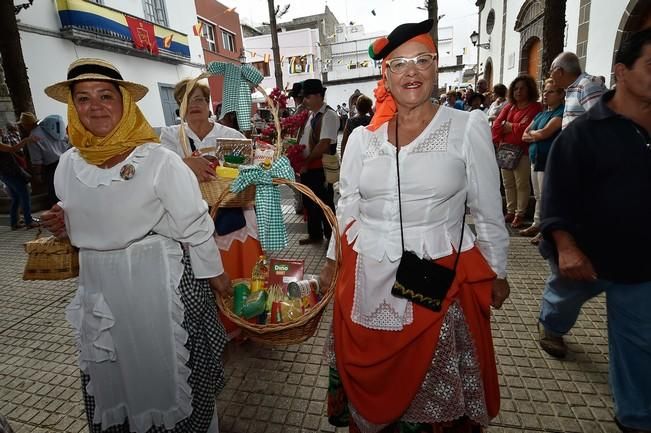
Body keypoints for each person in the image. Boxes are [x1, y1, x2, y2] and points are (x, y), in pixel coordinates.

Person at [319, 19, 509, 432]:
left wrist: (497, 270)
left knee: (431, 393)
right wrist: (333, 261)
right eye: (399, 63)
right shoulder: (361, 140)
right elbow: (347, 202)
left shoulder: (466, 128)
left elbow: (488, 210)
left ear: (436, 68)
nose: (411, 72)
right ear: (385, 74)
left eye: (422, 61)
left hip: (438, 278)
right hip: (365, 276)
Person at [40, 58, 230, 433]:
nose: (95, 107)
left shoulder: (159, 161)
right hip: (101, 288)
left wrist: (218, 279)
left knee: (172, 376)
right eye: (84, 99)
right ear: (73, 108)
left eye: (105, 96)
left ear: (124, 103)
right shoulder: (67, 165)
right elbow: (82, 211)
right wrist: (64, 221)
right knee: (118, 373)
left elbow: (195, 226)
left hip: (158, 282)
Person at [539, 29, 651, 432]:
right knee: (563, 300)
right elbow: (555, 197)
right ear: (622, 71)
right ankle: (550, 325)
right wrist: (566, 247)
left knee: (639, 343)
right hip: (585, 256)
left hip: (640, 264)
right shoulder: (583, 134)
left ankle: (636, 418)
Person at [160, 79, 263, 340]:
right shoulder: (171, 136)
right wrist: (186, 163)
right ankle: (217, 331)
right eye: (187, 100)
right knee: (204, 280)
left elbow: (249, 173)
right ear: (179, 107)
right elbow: (160, 173)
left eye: (199, 99)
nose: (194, 105)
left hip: (233, 214)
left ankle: (246, 324)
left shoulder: (231, 135)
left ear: (208, 105)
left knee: (240, 273)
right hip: (191, 222)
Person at [537, 51, 607, 358]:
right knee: (569, 277)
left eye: (552, 73)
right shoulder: (574, 90)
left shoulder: (587, 86)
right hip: (574, 176)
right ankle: (551, 324)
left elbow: (601, 126)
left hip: (587, 176)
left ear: (558, 70)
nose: (550, 79)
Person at [491, 75, 542, 229]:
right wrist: (514, 127)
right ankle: (510, 210)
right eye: (516, 88)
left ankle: (520, 213)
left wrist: (510, 126)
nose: (518, 91)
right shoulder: (508, 107)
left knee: (521, 184)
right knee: (508, 184)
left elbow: (527, 131)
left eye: (522, 88)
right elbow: (497, 126)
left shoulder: (535, 108)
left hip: (523, 152)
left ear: (529, 90)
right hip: (506, 150)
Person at [520, 79, 564, 244]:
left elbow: (545, 133)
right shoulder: (541, 114)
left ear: (561, 94)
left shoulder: (560, 112)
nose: (545, 95)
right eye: (545, 91)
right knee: (538, 195)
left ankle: (546, 229)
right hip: (536, 158)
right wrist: (535, 135)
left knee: (547, 196)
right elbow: (525, 134)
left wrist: (535, 134)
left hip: (549, 160)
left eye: (551, 92)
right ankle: (537, 223)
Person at [298, 78, 338, 245]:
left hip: (320, 167)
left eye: (307, 97)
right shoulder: (311, 115)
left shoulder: (329, 115)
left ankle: (332, 237)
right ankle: (315, 234)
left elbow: (324, 144)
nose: (304, 101)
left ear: (318, 96)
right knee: (310, 202)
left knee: (324, 203)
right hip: (308, 167)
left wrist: (306, 162)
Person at [19, 112, 70, 208]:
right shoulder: (51, 128)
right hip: (66, 161)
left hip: (52, 168)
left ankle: (60, 217)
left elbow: (37, 160)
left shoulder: (33, 137)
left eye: (22, 124)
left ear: (26, 125)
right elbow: (66, 141)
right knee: (67, 190)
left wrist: (37, 175)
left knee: (55, 193)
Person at [550, 51, 607, 129]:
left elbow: (600, 120)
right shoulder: (574, 87)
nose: (550, 76)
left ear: (559, 72)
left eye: (551, 71)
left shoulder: (586, 85)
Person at [0, 125, 38, 230]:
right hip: (10, 173)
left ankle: (14, 222)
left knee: (16, 198)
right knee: (24, 195)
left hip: (5, 174)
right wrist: (26, 140)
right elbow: (13, 148)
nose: (1, 130)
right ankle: (28, 221)